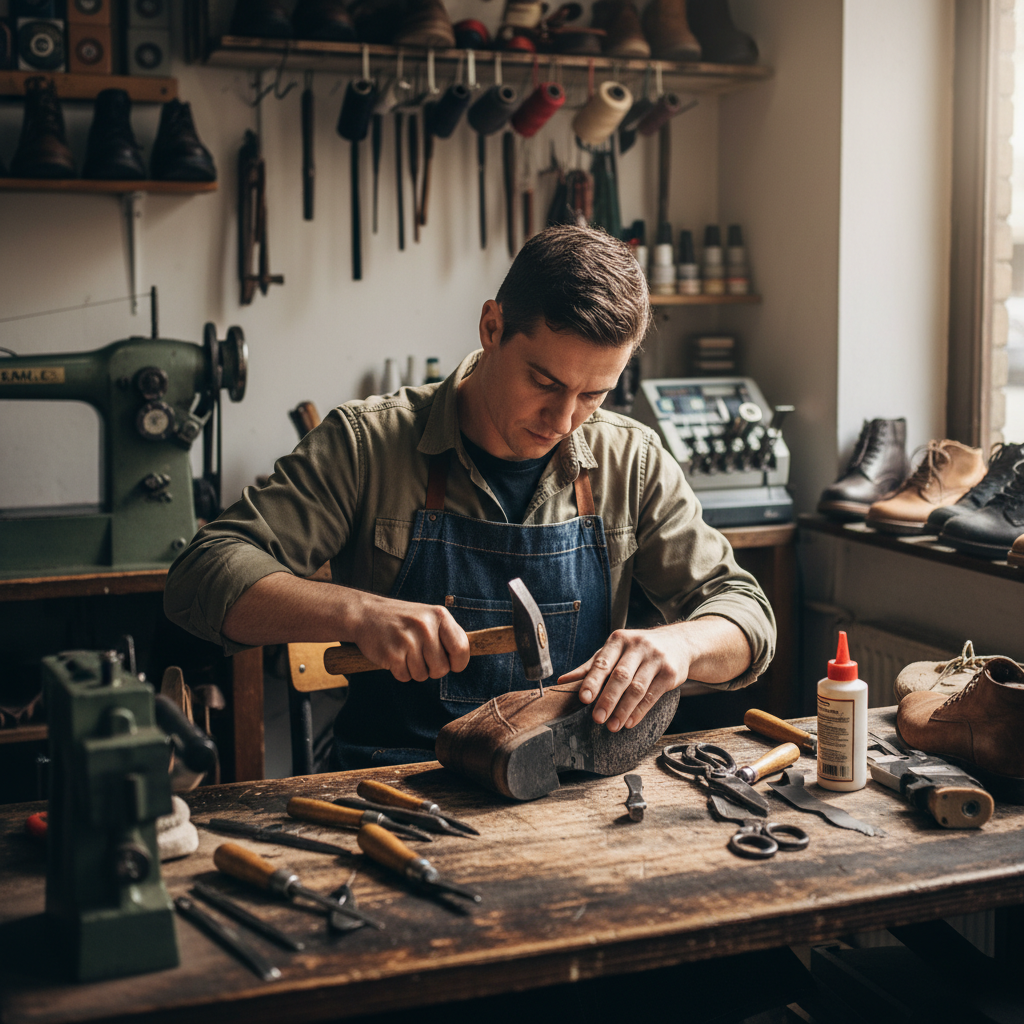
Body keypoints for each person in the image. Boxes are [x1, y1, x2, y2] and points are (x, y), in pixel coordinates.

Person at [164, 226, 776, 770]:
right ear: (491, 328)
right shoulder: (368, 445)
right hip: (398, 779)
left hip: (565, 783)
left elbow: (748, 617)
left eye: (594, 394)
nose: (565, 420)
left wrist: (683, 644)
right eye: (545, 381)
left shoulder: (630, 461)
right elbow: (201, 576)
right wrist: (357, 614)